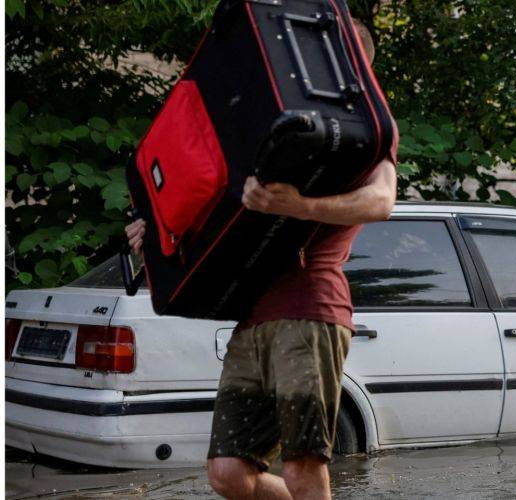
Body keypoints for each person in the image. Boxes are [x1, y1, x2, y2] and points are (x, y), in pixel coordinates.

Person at [125, 21, 396, 500]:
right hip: (252, 318)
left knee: (303, 466)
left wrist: (299, 207)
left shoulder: (366, 129)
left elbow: (380, 201)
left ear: (356, 65)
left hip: (310, 311)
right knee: (228, 473)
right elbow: (215, 211)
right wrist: (158, 234)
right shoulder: (268, 119)